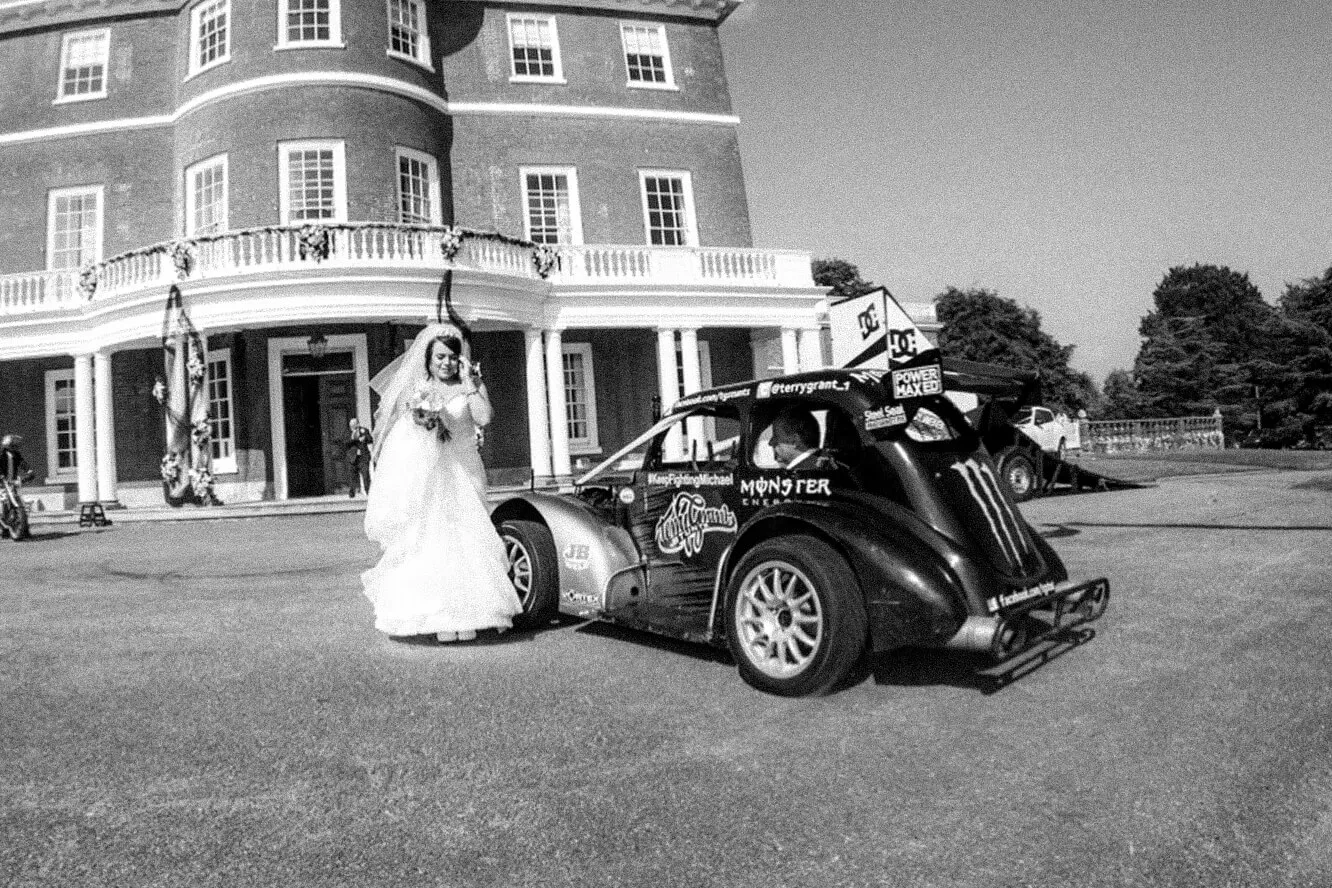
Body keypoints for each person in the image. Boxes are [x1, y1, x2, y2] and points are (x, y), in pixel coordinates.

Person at [360, 324, 523, 643]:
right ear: (428, 359)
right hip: (433, 473)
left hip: (466, 468)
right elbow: (403, 435)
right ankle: (440, 615)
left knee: (470, 538)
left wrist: (470, 384)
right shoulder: (419, 389)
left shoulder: (472, 384)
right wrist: (423, 422)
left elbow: (484, 418)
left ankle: (473, 613)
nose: (446, 363)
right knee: (434, 540)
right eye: (440, 357)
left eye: (452, 357)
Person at [343, 418, 373, 498]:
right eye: (351, 424)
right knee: (352, 477)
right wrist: (355, 439)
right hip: (352, 458)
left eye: (354, 424)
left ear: (358, 424)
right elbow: (345, 443)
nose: (352, 426)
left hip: (363, 457)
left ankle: (368, 492)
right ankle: (352, 493)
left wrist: (365, 438)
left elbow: (370, 440)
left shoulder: (364, 430)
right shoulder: (347, 432)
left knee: (366, 475)